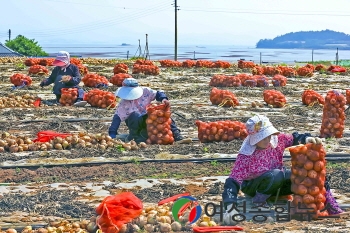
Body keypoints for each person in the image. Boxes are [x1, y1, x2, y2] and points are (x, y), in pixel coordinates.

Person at [222, 115, 343, 224]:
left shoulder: (277, 140)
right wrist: (229, 206)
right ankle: (258, 201)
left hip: (276, 182)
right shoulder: (246, 154)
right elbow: (233, 181)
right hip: (254, 187)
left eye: (268, 135)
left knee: (306, 176)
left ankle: (328, 201)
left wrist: (307, 139)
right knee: (276, 175)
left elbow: (295, 138)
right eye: (262, 137)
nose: (267, 140)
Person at [108, 78, 190, 144]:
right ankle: (134, 136)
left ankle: (177, 136)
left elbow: (158, 93)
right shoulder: (124, 103)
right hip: (135, 122)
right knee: (135, 115)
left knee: (163, 115)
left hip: (148, 120)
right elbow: (117, 118)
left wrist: (163, 99)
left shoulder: (145, 91)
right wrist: (112, 133)